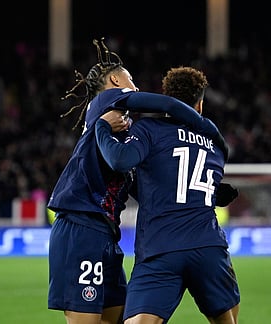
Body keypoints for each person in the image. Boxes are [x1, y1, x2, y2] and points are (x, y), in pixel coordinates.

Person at [47, 38, 228, 324]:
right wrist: (206, 128)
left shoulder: (122, 129)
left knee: (117, 318)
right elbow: (166, 103)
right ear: (116, 79)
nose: (137, 87)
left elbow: (141, 185)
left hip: (105, 232)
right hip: (81, 226)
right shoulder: (106, 100)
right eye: (131, 80)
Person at [96, 66, 240, 323]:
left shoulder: (148, 129)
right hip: (208, 247)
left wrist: (101, 128)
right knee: (229, 318)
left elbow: (123, 162)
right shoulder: (216, 145)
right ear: (200, 104)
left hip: (160, 247)